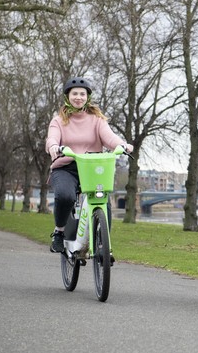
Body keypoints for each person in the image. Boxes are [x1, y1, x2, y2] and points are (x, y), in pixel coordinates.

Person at [45, 76, 132, 253]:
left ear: (87, 97)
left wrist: (121, 145)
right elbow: (52, 138)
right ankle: (59, 232)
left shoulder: (96, 119)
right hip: (66, 168)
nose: (78, 97)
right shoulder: (58, 120)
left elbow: (109, 137)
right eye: (74, 94)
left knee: (103, 198)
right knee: (66, 196)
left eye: (82, 94)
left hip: (92, 168)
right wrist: (54, 146)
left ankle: (103, 245)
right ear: (67, 96)